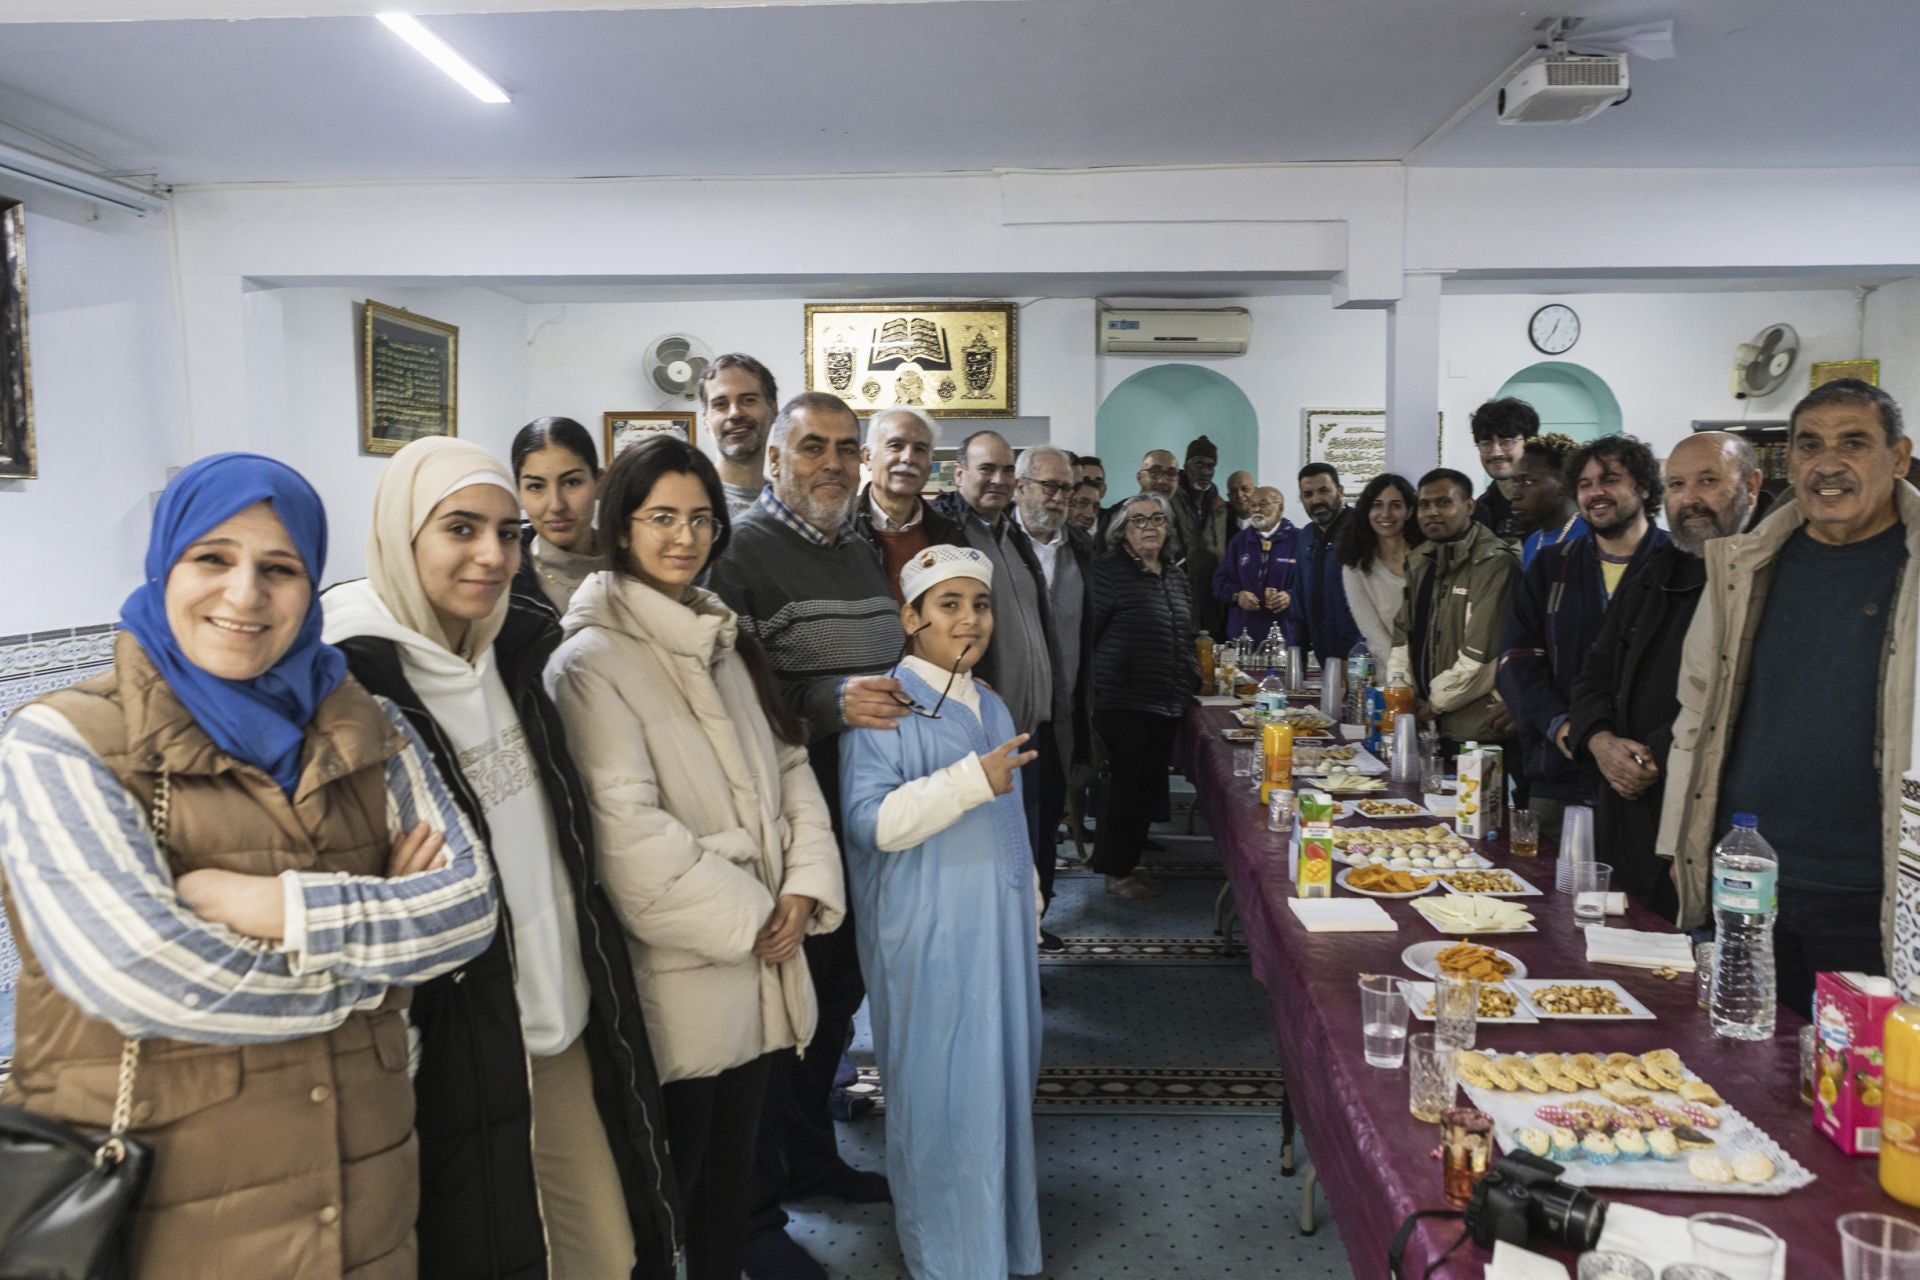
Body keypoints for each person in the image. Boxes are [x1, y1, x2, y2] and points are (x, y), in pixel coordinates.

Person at [0, 453, 500, 1278]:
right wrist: (376, 974)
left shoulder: (367, 724)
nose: (244, 596)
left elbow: (469, 908)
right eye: (212, 559)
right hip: (158, 1220)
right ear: (165, 566)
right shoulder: (65, 741)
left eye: (280, 568)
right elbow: (142, 974)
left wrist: (281, 912)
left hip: (366, 1208)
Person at [323, 436, 681, 1279]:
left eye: (509, 533)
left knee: (606, 1244)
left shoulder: (511, 650)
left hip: (561, 1009)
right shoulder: (354, 680)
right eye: (460, 529)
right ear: (401, 536)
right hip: (454, 1036)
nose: (493, 556)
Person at [545, 436, 848, 1280]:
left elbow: (789, 765)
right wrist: (758, 915)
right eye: (661, 518)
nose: (684, 537)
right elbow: (626, 835)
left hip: (759, 959)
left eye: (701, 518)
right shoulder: (590, 662)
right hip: (684, 970)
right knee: (660, 1200)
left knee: (729, 1192)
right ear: (621, 525)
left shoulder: (723, 637)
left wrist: (802, 887)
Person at [704, 390, 901, 1278]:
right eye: (813, 447)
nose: (833, 463)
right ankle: (762, 1205)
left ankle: (813, 1156)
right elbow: (731, 698)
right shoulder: (741, 555)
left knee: (839, 998)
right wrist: (828, 703)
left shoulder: (857, 548)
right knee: (789, 1009)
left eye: (846, 448)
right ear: (776, 459)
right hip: (794, 817)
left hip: (865, 816)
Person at [1659, 380, 1919, 1016]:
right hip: (1748, 877)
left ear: (1900, 457)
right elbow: (1697, 713)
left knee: (1857, 1095)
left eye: (1853, 443)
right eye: (1809, 446)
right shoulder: (1744, 565)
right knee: (1741, 1073)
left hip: (1869, 887)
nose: (1827, 464)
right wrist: (1682, 854)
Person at [841, 545, 1044, 1280]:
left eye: (980, 605)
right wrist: (968, 780)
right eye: (949, 605)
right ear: (912, 618)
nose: (969, 620)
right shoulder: (886, 704)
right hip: (928, 936)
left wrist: (1029, 901)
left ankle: (1000, 1247)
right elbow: (872, 823)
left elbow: (1011, 818)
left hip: (999, 933)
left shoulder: (989, 702)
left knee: (1001, 1085)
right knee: (941, 1093)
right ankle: (949, 1260)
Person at [1567, 432, 1763, 918]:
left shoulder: (1767, 573)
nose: (1689, 499)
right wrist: (1597, 739)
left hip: (1706, 808)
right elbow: (1596, 669)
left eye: (1708, 481)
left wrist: (1647, 751)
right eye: (1677, 484)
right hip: (1624, 798)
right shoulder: (1656, 567)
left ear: (1751, 485)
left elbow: (1738, 695)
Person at [1497, 434, 1669, 828]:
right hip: (1560, 771)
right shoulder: (1551, 564)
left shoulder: (1679, 567)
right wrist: (1574, 733)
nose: (1596, 493)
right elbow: (1517, 660)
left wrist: (1638, 755)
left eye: (1609, 480)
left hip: (1650, 777)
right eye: (1586, 484)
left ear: (1643, 486)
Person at [1087, 493, 1200, 900]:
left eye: (1157, 519)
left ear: (1169, 528)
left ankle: (1126, 861)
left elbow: (1185, 632)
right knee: (1123, 791)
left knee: (1147, 789)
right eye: (1138, 520)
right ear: (1123, 530)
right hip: (1120, 700)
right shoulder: (1107, 572)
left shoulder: (1174, 575)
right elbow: (1088, 636)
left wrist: (1191, 675)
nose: (1149, 526)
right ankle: (1115, 871)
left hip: (1165, 699)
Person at [1012, 443, 1094, 941]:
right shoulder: (996, 543)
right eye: (1050, 486)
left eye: (1067, 487)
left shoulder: (1082, 549)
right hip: (1007, 715)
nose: (1060, 496)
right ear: (1020, 487)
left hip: (1060, 715)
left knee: (1045, 828)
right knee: (1008, 833)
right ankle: (1008, 945)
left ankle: (1034, 931)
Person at [1390, 468, 1520, 752]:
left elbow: (1482, 657)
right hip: (1429, 725)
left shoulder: (1493, 564)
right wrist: (1403, 694)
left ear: (1469, 506)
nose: (1432, 512)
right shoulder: (1421, 561)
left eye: (1444, 503)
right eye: (1424, 505)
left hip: (1478, 732)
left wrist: (1433, 705)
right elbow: (1403, 636)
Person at [849, 404, 966, 603]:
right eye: (896, 445)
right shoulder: (838, 530)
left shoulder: (950, 535)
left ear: (930, 464)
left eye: (920, 449)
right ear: (867, 456)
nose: (908, 457)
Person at [510, 415, 608, 617]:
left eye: (571, 482)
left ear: (599, 483)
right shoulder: (501, 579)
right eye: (536, 486)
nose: (556, 505)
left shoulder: (639, 567)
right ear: (518, 492)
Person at [1338, 472, 1418, 663]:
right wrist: (1402, 672)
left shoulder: (1427, 557)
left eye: (1396, 505)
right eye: (1377, 505)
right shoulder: (1354, 568)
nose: (1385, 514)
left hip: (1438, 672)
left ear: (1410, 511)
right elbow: (1373, 633)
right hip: (1391, 678)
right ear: (1366, 511)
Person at [1213, 485, 1298, 645]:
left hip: (1286, 637)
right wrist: (1238, 596)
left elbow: (1312, 586)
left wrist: (1290, 596)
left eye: (1263, 504)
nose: (1256, 509)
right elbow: (1219, 582)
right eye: (1253, 505)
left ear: (1280, 508)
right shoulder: (1239, 541)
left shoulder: (1299, 540)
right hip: (1244, 638)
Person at [1296, 462, 1360, 665]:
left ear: (1340, 491)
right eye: (1308, 494)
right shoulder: (1306, 536)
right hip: (1324, 657)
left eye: (1324, 491)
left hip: (1360, 657)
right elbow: (1299, 599)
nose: (1316, 500)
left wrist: (1346, 656)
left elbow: (1362, 603)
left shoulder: (1361, 531)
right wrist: (1297, 656)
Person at [701, 353, 781, 516]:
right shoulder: (691, 501)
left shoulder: (787, 505)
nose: (735, 414)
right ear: (705, 419)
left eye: (748, 400)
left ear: (774, 410)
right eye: (720, 404)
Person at [1171, 435, 1231, 638]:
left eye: (1210, 466)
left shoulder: (1220, 507)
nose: (1205, 471)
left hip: (1211, 597)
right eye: (1199, 464)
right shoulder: (1170, 499)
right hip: (1177, 594)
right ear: (1186, 465)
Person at [1510, 433, 1587, 568]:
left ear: (1564, 485)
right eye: (1515, 483)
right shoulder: (1533, 542)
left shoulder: (1591, 538)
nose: (1516, 494)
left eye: (1528, 482)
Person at [1470, 397, 1540, 543]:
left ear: (1529, 443)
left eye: (1507, 442)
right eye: (1486, 443)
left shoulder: (1550, 500)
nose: (1496, 453)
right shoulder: (1482, 508)